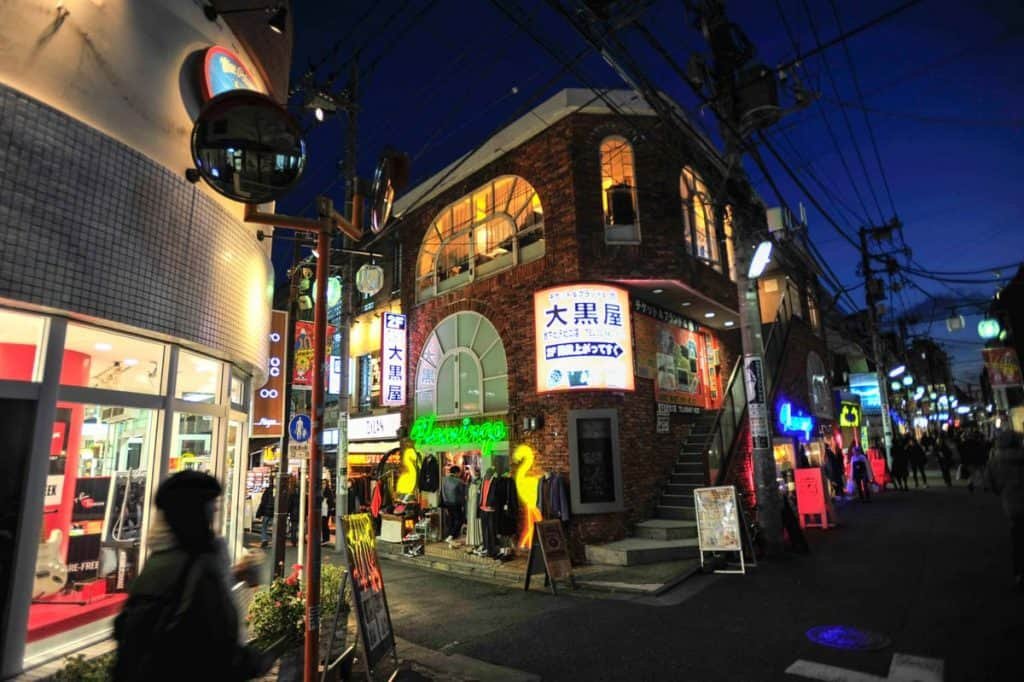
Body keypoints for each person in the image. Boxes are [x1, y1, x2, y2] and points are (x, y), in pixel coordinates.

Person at [113, 471, 271, 680]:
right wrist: (254, 661)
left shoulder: (162, 561)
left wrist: (233, 575)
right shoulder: (197, 564)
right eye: (210, 508)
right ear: (193, 513)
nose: (214, 513)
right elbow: (211, 646)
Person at [984, 430, 1024, 590]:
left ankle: (1019, 573)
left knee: (1018, 539)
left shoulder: (995, 461)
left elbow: (990, 484)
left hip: (1012, 503)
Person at [440, 465, 467, 542]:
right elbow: (462, 494)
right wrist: (463, 504)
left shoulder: (444, 480)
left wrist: (445, 502)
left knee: (451, 519)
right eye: (459, 473)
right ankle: (452, 535)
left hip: (447, 503)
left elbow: (443, 492)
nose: (460, 474)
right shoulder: (459, 481)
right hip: (456, 503)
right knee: (460, 520)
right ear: (456, 473)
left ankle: (451, 535)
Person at [256, 483, 275, 548]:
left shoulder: (266, 493)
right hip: (274, 513)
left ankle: (264, 539)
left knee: (264, 527)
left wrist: (258, 514)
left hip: (266, 513)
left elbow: (262, 503)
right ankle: (274, 541)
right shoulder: (277, 493)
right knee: (274, 528)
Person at [321, 478, 335, 545]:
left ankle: (326, 539)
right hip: (323, 509)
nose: (323, 485)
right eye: (322, 483)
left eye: (324, 483)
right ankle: (325, 539)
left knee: (324, 524)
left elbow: (331, 500)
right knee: (323, 524)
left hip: (326, 509)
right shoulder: (321, 491)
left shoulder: (328, 491)